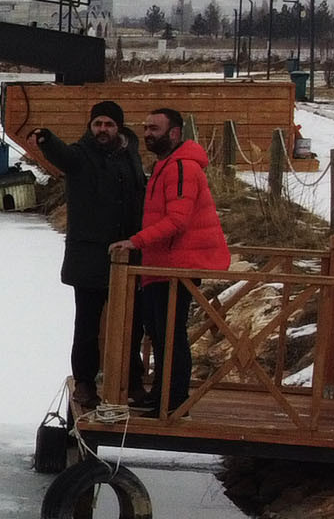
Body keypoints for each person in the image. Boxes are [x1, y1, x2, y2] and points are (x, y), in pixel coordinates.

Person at [110, 107, 233, 410]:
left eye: (154, 128)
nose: (147, 134)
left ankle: (173, 400)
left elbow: (177, 220)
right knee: (159, 331)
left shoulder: (181, 168)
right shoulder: (167, 165)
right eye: (146, 127)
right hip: (161, 264)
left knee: (169, 334)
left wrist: (135, 241)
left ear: (175, 132)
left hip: (176, 265)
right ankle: (162, 395)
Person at [30, 100, 144, 411]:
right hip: (90, 258)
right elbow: (62, 156)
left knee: (132, 324)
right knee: (88, 326)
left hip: (127, 257)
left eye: (108, 124)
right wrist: (46, 140)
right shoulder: (81, 156)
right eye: (97, 124)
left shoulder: (130, 156)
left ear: (118, 127)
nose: (102, 130)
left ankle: (133, 381)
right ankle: (84, 383)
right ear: (90, 127)